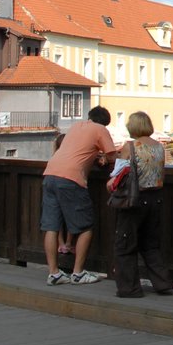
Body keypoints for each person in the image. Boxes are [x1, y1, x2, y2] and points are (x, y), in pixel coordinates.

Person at [42, 105, 118, 285]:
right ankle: (78, 272)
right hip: (71, 178)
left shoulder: (76, 126)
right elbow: (113, 156)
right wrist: (103, 159)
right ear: (105, 122)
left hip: (50, 174)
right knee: (85, 226)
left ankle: (54, 273)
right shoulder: (100, 129)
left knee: (51, 226)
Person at [112, 111, 173, 298]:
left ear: (133, 127)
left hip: (134, 199)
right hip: (156, 198)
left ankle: (129, 288)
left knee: (125, 243)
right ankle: (162, 283)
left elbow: (119, 174)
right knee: (150, 244)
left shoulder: (130, 147)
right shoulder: (159, 147)